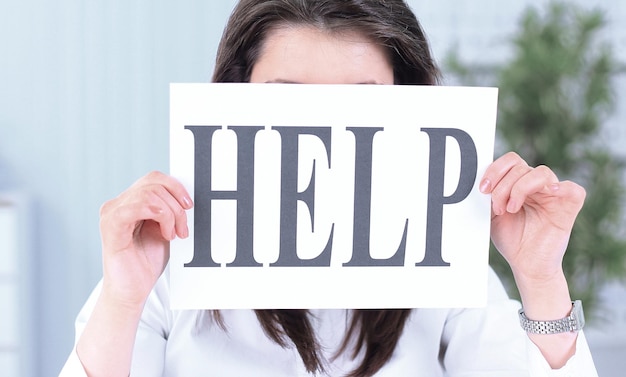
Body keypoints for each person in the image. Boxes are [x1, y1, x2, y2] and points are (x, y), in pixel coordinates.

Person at [60, 0, 598, 376]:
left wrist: (540, 278)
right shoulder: (163, 270)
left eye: (362, 103)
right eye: (287, 100)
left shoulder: (451, 278)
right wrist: (123, 298)